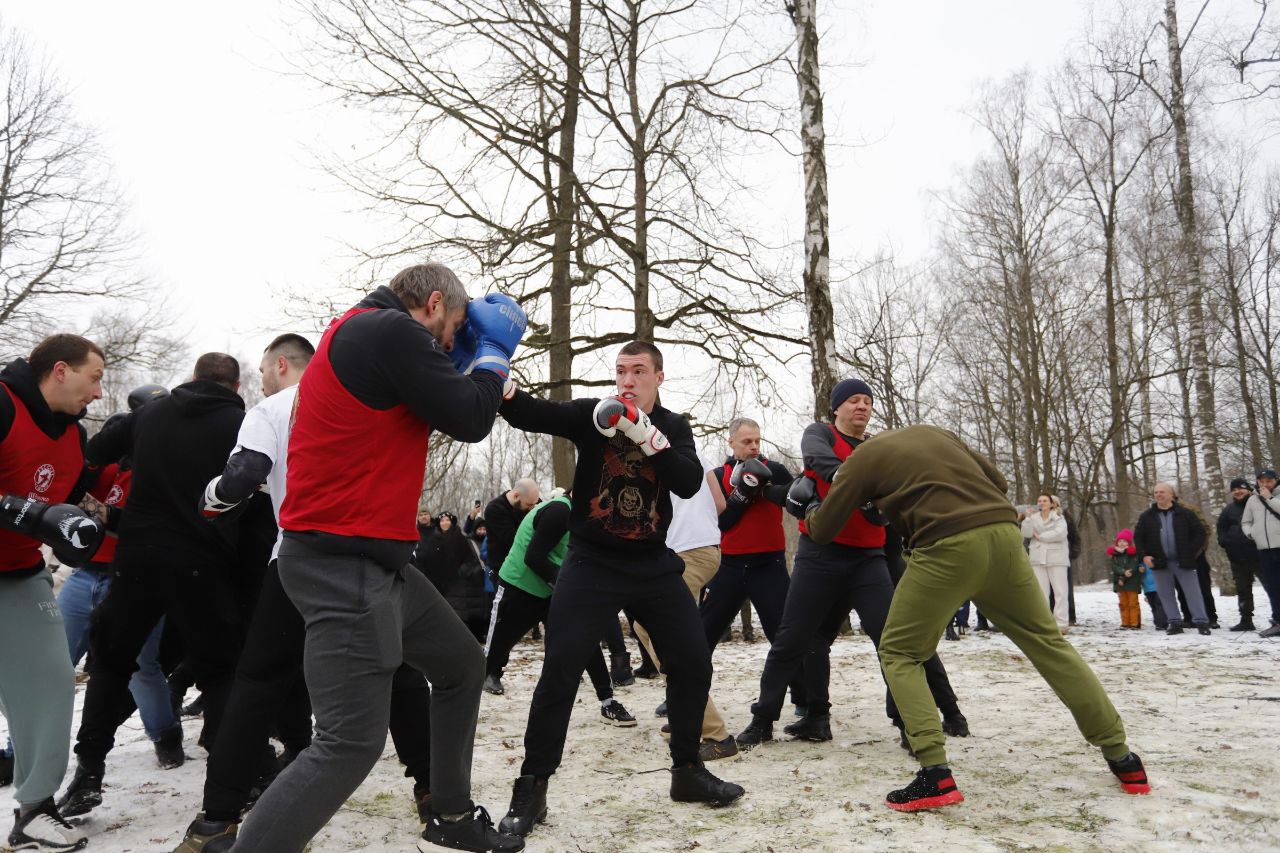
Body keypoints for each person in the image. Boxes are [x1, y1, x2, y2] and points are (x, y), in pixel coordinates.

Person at [229, 263, 527, 853]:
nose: (451, 342)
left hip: (373, 560)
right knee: (348, 743)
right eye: (454, 327)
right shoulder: (387, 331)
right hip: (342, 564)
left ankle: (450, 813)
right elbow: (470, 416)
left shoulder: (370, 333)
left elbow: (446, 397)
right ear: (435, 302)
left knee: (462, 664)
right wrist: (492, 352)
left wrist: (460, 354)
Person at [171, 332, 442, 853]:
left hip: (301, 561)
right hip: (374, 557)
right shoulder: (370, 397)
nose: (263, 378)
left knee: (257, 682)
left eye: (264, 369)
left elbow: (245, 474)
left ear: (280, 365)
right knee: (401, 672)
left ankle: (218, 817)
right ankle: (431, 788)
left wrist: (210, 499)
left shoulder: (273, 408)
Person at [796, 423, 1148, 810]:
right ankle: (1122, 758)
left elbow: (825, 527)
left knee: (900, 652)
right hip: (1003, 536)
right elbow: (997, 481)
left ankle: (935, 774)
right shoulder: (936, 433)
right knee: (1049, 644)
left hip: (945, 547)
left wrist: (808, 508)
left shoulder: (861, 457)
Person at [496, 341, 744, 839]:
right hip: (592, 561)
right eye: (621, 371)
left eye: (638, 371)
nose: (627, 380)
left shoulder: (674, 426)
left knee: (692, 659)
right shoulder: (594, 416)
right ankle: (532, 788)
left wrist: (644, 433)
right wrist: (497, 382)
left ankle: (688, 771)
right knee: (561, 668)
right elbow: (530, 413)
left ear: (658, 377)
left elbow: (690, 480)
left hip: (652, 562)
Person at [59, 352, 253, 819]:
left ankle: (88, 771)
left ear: (192, 378)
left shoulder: (147, 414)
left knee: (110, 664)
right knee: (220, 670)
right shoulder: (243, 422)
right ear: (237, 384)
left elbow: (91, 455)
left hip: (137, 558)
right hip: (201, 561)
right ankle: (237, 781)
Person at [737, 379, 966, 751]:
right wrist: (859, 484)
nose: (861, 406)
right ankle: (767, 719)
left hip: (868, 559)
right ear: (838, 408)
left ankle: (910, 725)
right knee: (792, 640)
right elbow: (817, 461)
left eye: (867, 401)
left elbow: (900, 486)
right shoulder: (820, 434)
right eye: (853, 401)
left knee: (893, 644)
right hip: (820, 554)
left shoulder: (879, 447)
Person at [0, 334, 107, 851]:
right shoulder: (3, 402)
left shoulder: (75, 436)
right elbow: (36, 509)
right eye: (96, 377)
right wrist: (33, 513)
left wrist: (84, 527)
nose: (99, 392)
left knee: (49, 682)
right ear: (60, 370)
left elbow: (62, 505)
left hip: (19, 575)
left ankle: (34, 809)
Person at [56, 386, 184, 773]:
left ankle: (166, 736)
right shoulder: (105, 467)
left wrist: (100, 512)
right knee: (56, 662)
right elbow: (72, 497)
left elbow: (134, 525)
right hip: (84, 575)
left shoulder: (163, 471)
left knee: (142, 668)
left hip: (131, 579)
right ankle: (20, 747)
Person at [481, 490, 636, 726]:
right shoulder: (559, 511)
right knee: (493, 652)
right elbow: (533, 557)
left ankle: (607, 702)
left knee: (585, 640)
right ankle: (459, 702)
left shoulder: (586, 518)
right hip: (519, 589)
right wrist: (564, 583)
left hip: (551, 591)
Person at [633, 462, 739, 761]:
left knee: (670, 641)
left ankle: (716, 734)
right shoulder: (693, 454)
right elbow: (719, 504)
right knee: (647, 626)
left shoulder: (644, 451)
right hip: (700, 549)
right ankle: (686, 713)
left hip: (687, 551)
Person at [700, 418, 806, 719]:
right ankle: (684, 693)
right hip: (728, 566)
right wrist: (741, 496)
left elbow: (796, 502)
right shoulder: (718, 476)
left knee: (784, 633)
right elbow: (719, 523)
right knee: (702, 633)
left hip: (768, 565)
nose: (754, 446)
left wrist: (770, 489)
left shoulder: (776, 470)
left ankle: (803, 697)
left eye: (757, 440)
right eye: (747, 441)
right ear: (731, 442)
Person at [1132, 483, 1212, 636]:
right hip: (1159, 561)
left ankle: (1201, 622)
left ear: (1171, 494)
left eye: (1162, 492)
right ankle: (1174, 623)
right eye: (1156, 492)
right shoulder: (1147, 516)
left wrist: (1190, 551)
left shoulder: (1185, 513)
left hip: (1183, 560)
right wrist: (1144, 556)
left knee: (1193, 592)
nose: (1158, 495)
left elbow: (1200, 533)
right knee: (1165, 594)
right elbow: (1139, 537)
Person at [420, 511, 491, 643]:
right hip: (439, 583)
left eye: (447, 520)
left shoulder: (460, 538)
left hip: (458, 584)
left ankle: (459, 639)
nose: (444, 523)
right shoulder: (433, 539)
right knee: (441, 612)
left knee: (458, 613)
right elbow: (427, 559)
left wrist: (462, 571)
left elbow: (471, 559)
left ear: (451, 522)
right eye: (442, 521)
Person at [1021, 494, 1071, 632]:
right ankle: (1043, 622)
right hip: (1037, 558)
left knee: (1060, 592)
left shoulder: (1059, 518)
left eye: (1045, 501)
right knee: (1041, 593)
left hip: (1057, 558)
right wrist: (1028, 518)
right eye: (1039, 501)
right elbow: (1026, 533)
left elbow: (1060, 534)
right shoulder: (1034, 517)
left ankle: (1061, 623)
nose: (1041, 503)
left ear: (1052, 504)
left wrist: (1041, 536)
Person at [1217, 478, 1261, 632]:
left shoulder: (1259, 504)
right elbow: (1220, 527)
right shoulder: (1229, 509)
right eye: (1234, 489)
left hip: (1260, 554)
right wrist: (1224, 541)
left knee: (1272, 587)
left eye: (1240, 488)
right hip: (1237, 557)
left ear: (1248, 489)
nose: (1237, 491)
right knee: (1243, 589)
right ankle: (1246, 620)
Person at [1241, 467, 1280, 638]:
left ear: (1275, 481)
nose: (1264, 484)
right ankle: (1277, 620)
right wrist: (1251, 533)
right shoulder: (1252, 500)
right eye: (1261, 481)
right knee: (1272, 587)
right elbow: (1246, 521)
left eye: (1268, 481)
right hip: (1264, 549)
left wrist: (1269, 498)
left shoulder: (1275, 496)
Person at [1108, 529, 1144, 629]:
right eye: (1120, 541)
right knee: (1123, 604)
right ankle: (1125, 622)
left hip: (1132, 582)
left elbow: (1133, 566)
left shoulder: (1133, 554)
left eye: (1124, 541)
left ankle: (1134, 623)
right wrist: (1123, 573)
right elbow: (1114, 567)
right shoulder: (1115, 556)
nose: (1122, 543)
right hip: (1120, 583)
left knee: (1133, 603)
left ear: (1128, 543)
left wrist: (1123, 577)